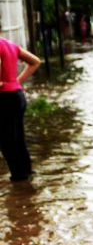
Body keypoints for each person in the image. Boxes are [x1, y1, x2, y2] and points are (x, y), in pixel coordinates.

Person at [0, 19, 41, 182]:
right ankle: (27, 179)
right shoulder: (9, 44)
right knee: (18, 140)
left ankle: (19, 181)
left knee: (7, 144)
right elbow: (35, 62)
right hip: (17, 96)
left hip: (4, 99)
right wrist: (17, 81)